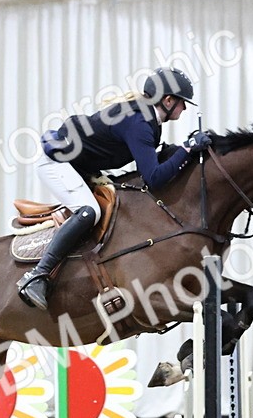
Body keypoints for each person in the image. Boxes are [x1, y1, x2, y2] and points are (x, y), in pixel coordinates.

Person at [16, 67, 213, 310]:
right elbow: (154, 178)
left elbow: (153, 162)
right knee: (89, 211)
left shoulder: (148, 120)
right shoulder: (139, 121)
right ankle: (37, 275)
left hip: (80, 165)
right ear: (168, 100)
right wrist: (186, 149)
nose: (184, 109)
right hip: (57, 162)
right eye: (183, 103)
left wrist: (187, 150)